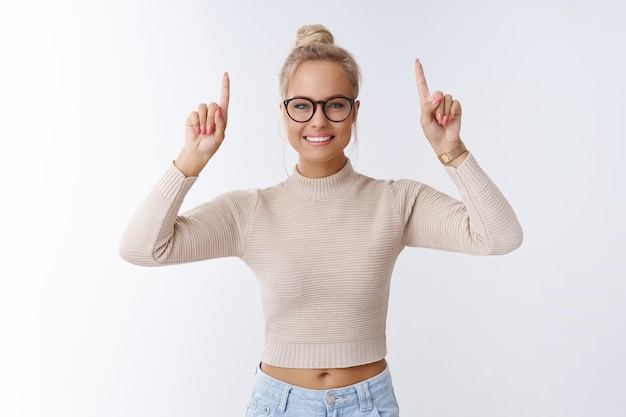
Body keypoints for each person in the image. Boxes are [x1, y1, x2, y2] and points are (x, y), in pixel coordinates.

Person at [120, 24, 522, 417]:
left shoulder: (395, 201)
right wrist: (192, 159)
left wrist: (451, 150)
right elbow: (141, 248)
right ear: (284, 111)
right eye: (302, 105)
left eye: (334, 104)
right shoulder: (250, 211)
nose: (318, 120)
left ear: (354, 111)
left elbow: (499, 237)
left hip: (370, 404)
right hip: (278, 404)